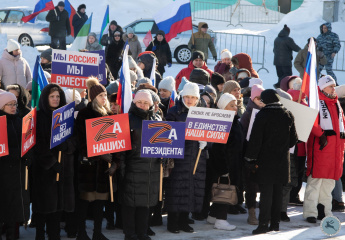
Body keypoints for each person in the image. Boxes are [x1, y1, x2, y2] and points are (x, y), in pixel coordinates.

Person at [245, 89, 298, 234]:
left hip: (265, 161)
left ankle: (263, 224)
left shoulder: (263, 115)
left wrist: (250, 159)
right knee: (277, 193)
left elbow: (255, 140)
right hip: (282, 161)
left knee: (266, 194)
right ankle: (275, 224)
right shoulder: (287, 114)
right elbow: (293, 140)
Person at [75, 78, 119, 240]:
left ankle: (97, 233)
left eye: (105, 94)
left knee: (100, 203)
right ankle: (81, 232)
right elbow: (81, 142)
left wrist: (115, 162)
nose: (104, 98)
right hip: (89, 167)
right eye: (100, 95)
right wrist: (99, 154)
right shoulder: (84, 114)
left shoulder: (110, 115)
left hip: (104, 169)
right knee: (85, 201)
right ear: (93, 98)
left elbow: (117, 143)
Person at [32, 84, 76, 240]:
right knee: (44, 207)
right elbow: (38, 143)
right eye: (52, 96)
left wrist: (68, 145)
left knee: (58, 207)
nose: (55, 99)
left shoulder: (67, 116)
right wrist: (51, 163)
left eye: (58, 96)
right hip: (44, 170)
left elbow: (74, 139)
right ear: (45, 98)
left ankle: (54, 234)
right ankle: (39, 234)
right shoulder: (39, 117)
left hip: (63, 168)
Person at [165, 82, 208, 234]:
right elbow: (168, 135)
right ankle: (172, 222)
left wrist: (206, 141)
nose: (189, 100)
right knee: (176, 190)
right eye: (187, 97)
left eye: (193, 97)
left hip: (197, 157)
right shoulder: (174, 112)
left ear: (197, 98)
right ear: (182, 96)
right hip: (179, 157)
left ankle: (184, 221)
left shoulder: (204, 113)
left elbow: (215, 132)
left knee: (190, 190)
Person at [303, 76, 345, 223]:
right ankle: (310, 212)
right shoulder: (315, 102)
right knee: (315, 182)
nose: (334, 88)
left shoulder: (336, 103)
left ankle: (325, 211)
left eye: (334, 86)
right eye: (330, 86)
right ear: (322, 88)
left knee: (328, 184)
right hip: (321, 149)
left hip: (335, 151)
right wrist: (321, 134)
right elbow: (311, 122)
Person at [120, 90, 161, 240]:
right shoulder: (127, 120)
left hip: (152, 170)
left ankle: (142, 233)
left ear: (151, 104)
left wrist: (163, 158)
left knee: (146, 204)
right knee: (130, 205)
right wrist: (122, 169)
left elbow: (163, 143)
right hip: (133, 168)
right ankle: (130, 234)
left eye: (146, 103)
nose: (142, 105)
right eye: (139, 102)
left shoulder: (157, 119)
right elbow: (121, 149)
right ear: (134, 103)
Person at [207, 93, 244, 231]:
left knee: (225, 190)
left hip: (234, 164)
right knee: (224, 191)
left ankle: (212, 216)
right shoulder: (222, 123)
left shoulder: (235, 122)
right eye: (231, 106)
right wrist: (223, 169)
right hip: (224, 166)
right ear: (223, 107)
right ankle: (221, 220)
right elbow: (217, 148)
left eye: (236, 105)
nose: (235, 108)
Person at [0, 90, 31, 240]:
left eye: (15, 104)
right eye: (9, 104)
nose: (13, 107)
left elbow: (28, 142)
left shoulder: (20, 121)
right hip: (3, 173)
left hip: (18, 174)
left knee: (15, 209)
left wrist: (27, 153)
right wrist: (16, 153)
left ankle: (13, 235)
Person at [240, 84, 265, 225]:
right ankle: (252, 213)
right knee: (251, 187)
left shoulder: (266, 112)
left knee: (263, 185)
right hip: (249, 155)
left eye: (262, 98)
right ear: (252, 98)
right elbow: (243, 136)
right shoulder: (248, 114)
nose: (260, 101)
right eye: (257, 98)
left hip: (263, 155)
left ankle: (263, 212)